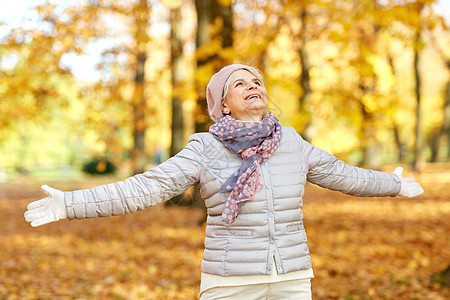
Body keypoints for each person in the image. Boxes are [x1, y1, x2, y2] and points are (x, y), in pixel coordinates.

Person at [24, 64, 424, 300]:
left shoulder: (293, 143)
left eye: (257, 82)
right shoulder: (205, 148)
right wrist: (69, 204)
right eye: (240, 83)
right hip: (229, 283)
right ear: (222, 105)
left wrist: (392, 183)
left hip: (291, 279)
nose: (253, 86)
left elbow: (342, 175)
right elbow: (145, 188)